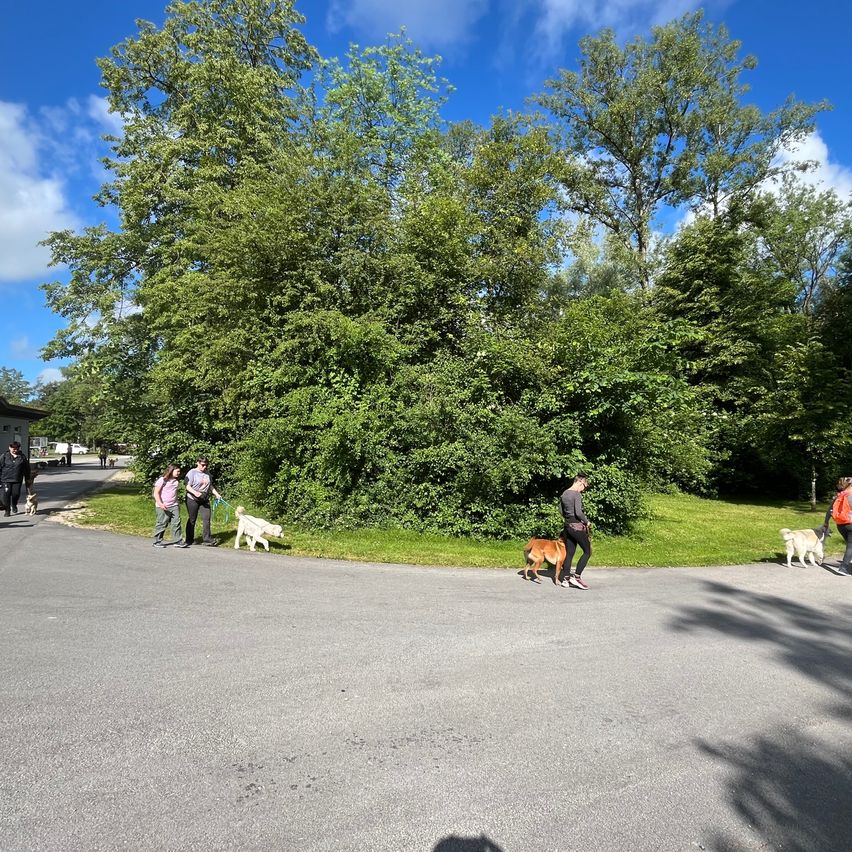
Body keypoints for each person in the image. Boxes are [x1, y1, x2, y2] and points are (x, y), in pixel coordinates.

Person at [558, 472, 592, 590]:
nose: (583, 489)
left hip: (567, 526)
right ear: (580, 482)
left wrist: (568, 518)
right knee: (587, 551)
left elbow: (561, 511)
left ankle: (565, 579)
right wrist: (587, 521)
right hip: (577, 527)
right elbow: (578, 512)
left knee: (570, 553)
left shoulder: (564, 493)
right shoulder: (576, 495)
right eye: (584, 486)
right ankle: (576, 577)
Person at [184, 457, 222, 546]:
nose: (204, 467)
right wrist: (195, 493)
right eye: (202, 465)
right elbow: (187, 486)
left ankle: (207, 539)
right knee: (192, 519)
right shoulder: (192, 472)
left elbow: (210, 486)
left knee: (207, 518)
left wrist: (217, 494)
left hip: (204, 499)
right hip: (192, 498)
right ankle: (189, 539)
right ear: (197, 463)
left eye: (206, 465)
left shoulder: (207, 474)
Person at [152, 464, 189, 548]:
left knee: (176, 523)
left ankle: (178, 540)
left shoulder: (176, 482)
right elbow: (156, 493)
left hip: (174, 505)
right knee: (162, 523)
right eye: (177, 471)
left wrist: (177, 504)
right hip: (162, 506)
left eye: (179, 471)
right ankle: (157, 541)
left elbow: (174, 494)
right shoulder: (162, 480)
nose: (179, 473)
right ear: (171, 470)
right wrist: (161, 504)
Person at [826, 476, 852, 576]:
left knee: (850, 545)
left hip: (840, 525)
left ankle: (847, 561)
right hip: (850, 524)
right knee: (851, 546)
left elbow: (829, 510)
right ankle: (843, 568)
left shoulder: (839, 495)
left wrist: (826, 522)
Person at [0, 441, 32, 516]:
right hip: (5, 479)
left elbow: (27, 468)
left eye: (16, 448)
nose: (15, 450)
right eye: (13, 448)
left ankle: (14, 504)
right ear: (9, 448)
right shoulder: (4, 456)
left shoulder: (22, 457)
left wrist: (28, 478)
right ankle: (7, 510)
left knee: (16, 494)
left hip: (17, 479)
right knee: (6, 495)